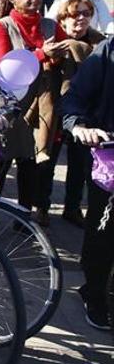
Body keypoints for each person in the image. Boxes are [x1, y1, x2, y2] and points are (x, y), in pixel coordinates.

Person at [0, 0, 69, 225]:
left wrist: (58, 57)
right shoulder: (0, 26)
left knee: (31, 167)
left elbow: (66, 52)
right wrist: (42, 54)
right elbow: (4, 66)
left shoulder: (50, 25)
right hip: (10, 107)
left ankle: (24, 219)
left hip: (42, 108)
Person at [60, 36, 114, 330]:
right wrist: (79, 126)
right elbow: (73, 99)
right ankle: (94, 294)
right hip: (111, 159)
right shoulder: (108, 51)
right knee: (103, 233)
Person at [56, 0, 107, 227]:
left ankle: (73, 206)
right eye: (76, 14)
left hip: (91, 121)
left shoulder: (99, 41)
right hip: (61, 115)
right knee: (48, 164)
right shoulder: (107, 51)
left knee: (78, 166)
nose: (81, 18)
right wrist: (77, 124)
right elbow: (74, 94)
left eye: (86, 13)